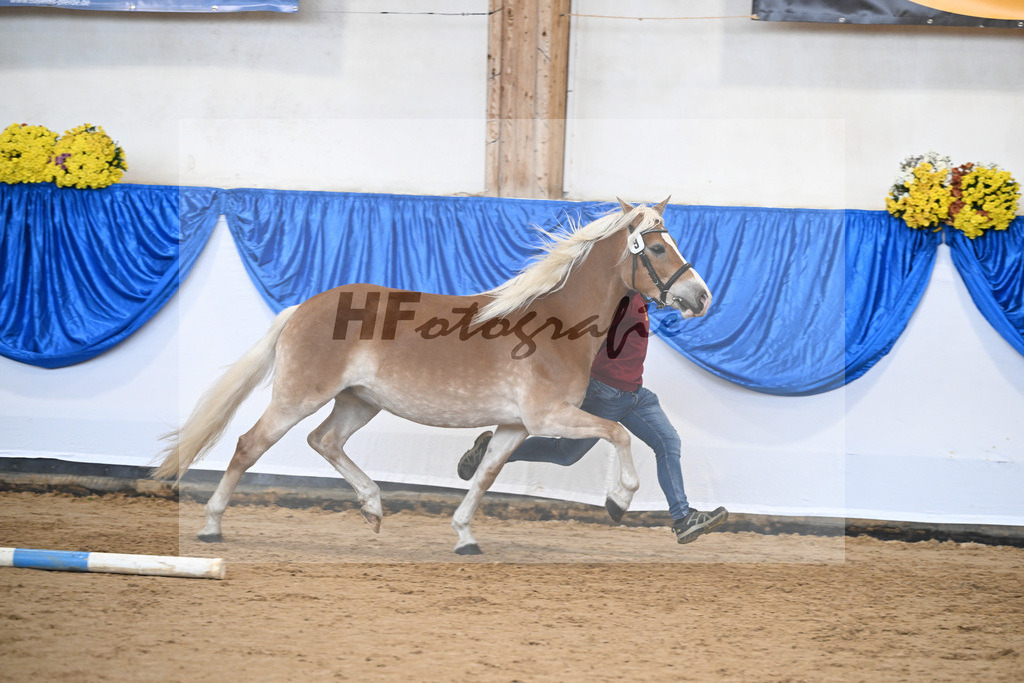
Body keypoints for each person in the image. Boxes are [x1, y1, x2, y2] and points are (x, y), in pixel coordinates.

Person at [457, 292, 729, 544]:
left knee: (668, 442)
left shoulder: (638, 295)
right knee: (565, 454)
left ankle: (683, 518)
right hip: (605, 394)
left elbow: (662, 293)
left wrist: (683, 302)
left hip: (635, 393)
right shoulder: (614, 298)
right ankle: (492, 451)